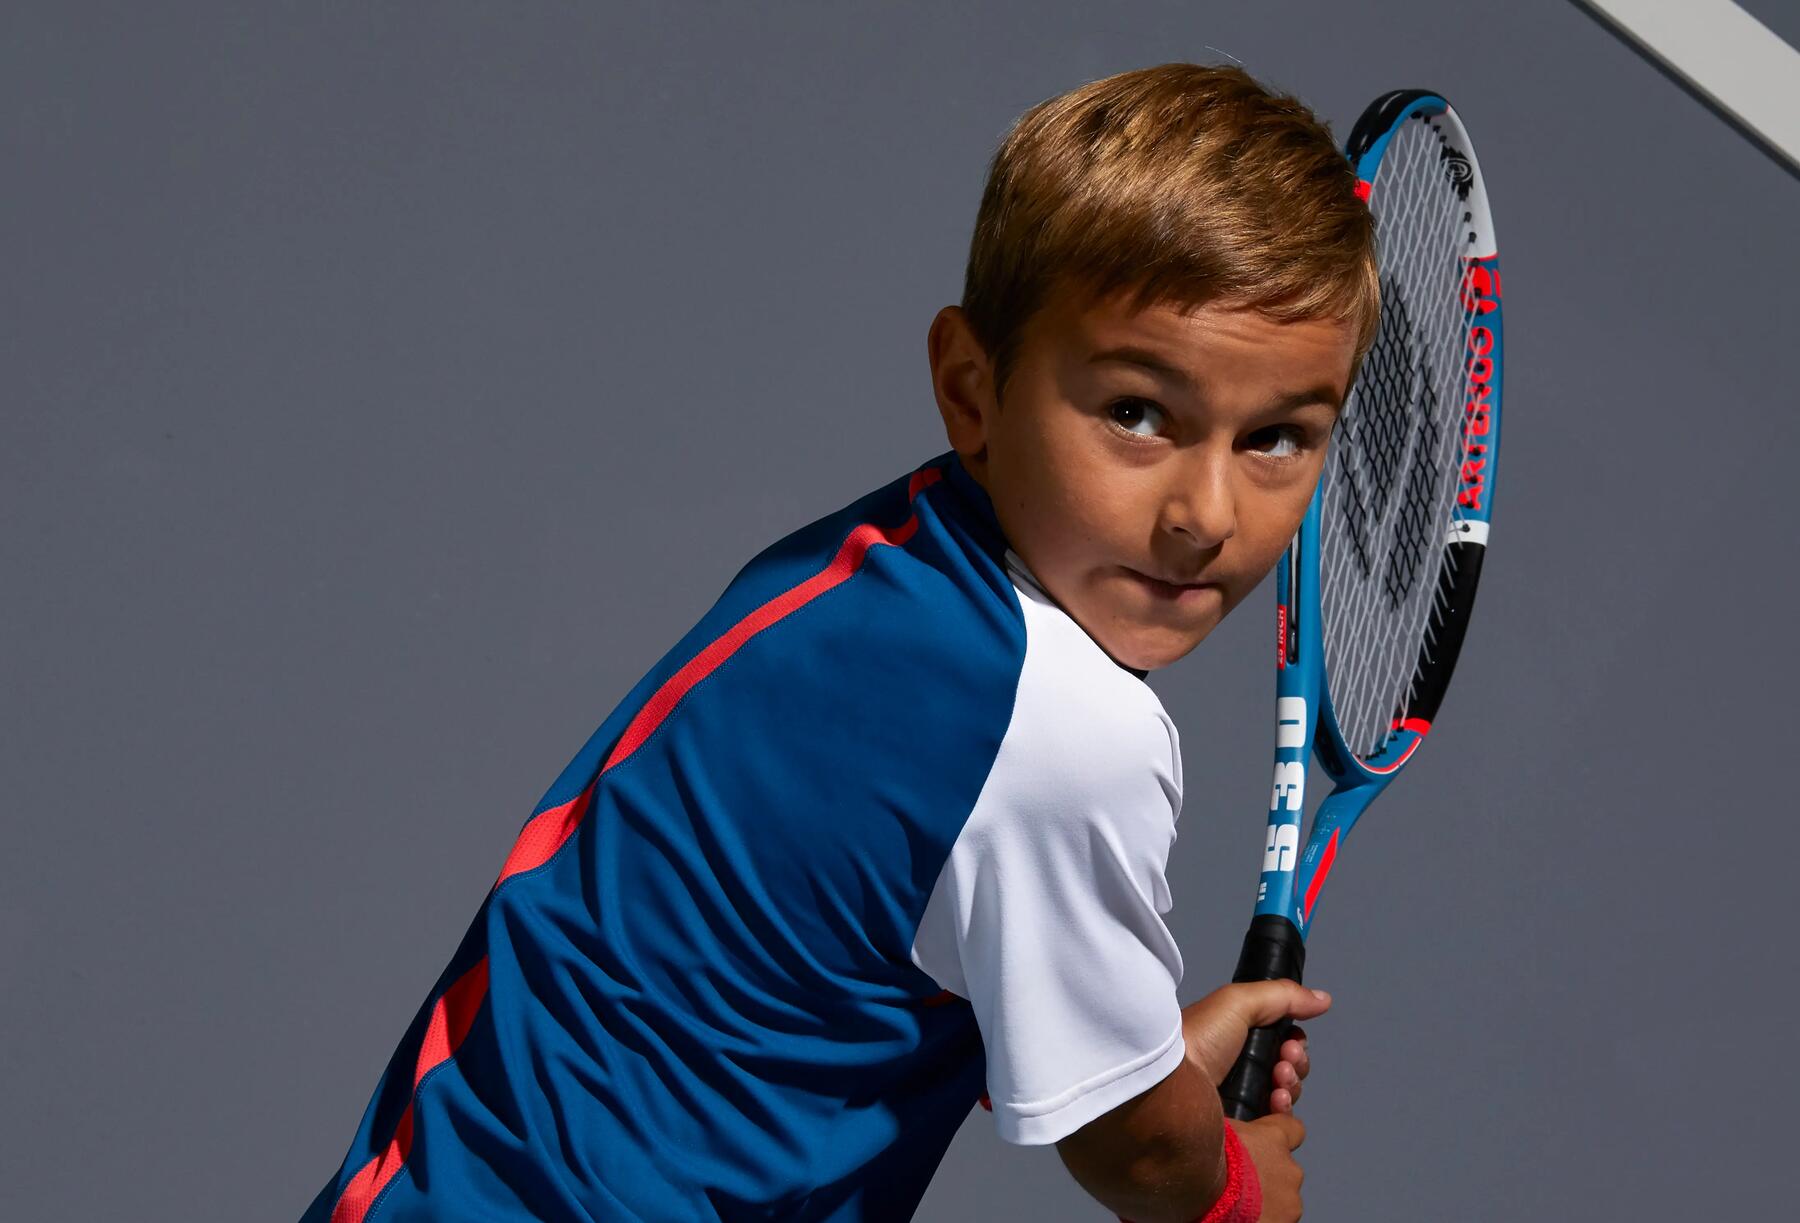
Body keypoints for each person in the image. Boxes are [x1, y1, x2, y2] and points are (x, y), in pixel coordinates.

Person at [302, 62, 1377, 1223]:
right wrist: (1231, 1188)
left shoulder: (882, 561)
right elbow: (1141, 1156)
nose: (1205, 514)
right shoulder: (1066, 727)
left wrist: (1132, 1051)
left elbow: (818, 948)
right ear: (972, 391)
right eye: (1135, 412)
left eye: (1276, 437)